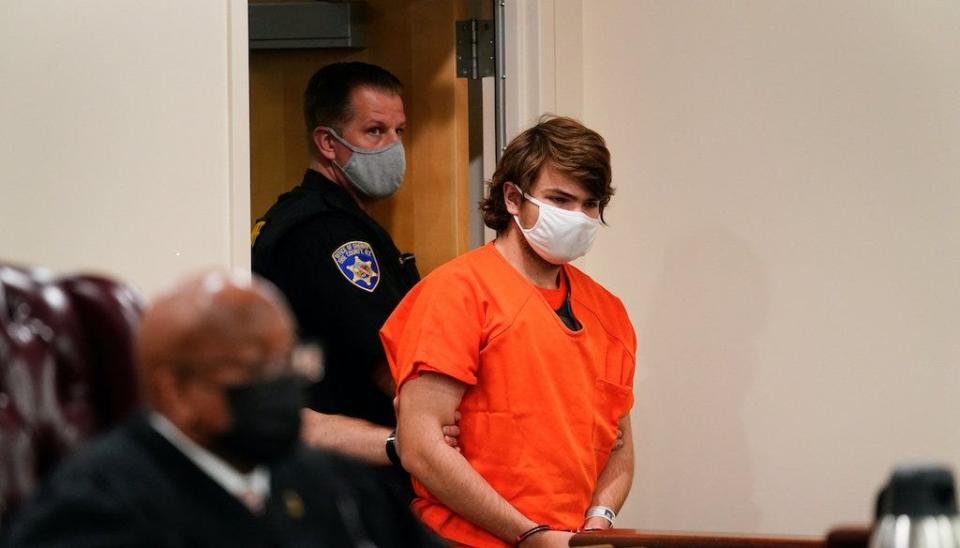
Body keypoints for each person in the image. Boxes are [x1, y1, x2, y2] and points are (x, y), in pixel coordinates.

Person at [3, 270, 443, 548]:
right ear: (175, 389)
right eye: (256, 369)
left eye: (289, 362)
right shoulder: (94, 507)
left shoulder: (334, 482)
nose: (281, 385)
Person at [381, 116, 636, 547]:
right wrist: (531, 534)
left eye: (590, 204)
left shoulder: (608, 313)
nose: (578, 216)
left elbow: (620, 448)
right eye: (560, 199)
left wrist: (596, 525)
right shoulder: (458, 292)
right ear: (514, 198)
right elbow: (421, 447)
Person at [251, 62, 456, 478]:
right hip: (340, 466)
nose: (394, 146)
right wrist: (459, 419)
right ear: (328, 142)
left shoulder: (325, 218)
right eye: (375, 131)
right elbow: (389, 363)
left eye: (399, 131)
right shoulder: (326, 232)